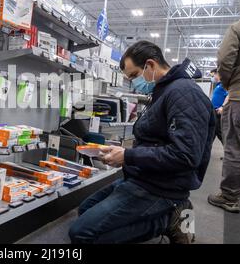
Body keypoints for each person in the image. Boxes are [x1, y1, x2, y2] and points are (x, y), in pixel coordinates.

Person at [69, 41, 215, 244]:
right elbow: (156, 140)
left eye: (134, 75)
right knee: (85, 210)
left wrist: (128, 156)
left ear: (150, 65)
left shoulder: (184, 93)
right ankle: (156, 216)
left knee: (81, 233)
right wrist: (122, 152)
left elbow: (186, 155)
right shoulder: (163, 91)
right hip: (143, 177)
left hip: (162, 187)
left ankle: (168, 220)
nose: (133, 81)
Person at [208, 20, 240, 213]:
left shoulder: (237, 28)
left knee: (234, 149)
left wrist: (229, 86)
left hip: (238, 99)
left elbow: (225, 59)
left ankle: (230, 195)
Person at [210, 68, 228, 144]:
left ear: (218, 74)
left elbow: (229, 95)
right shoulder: (218, 85)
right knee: (212, 132)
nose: (213, 77)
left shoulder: (224, 84)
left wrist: (223, 107)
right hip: (214, 111)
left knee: (219, 132)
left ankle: (230, 153)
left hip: (219, 112)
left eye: (213, 75)